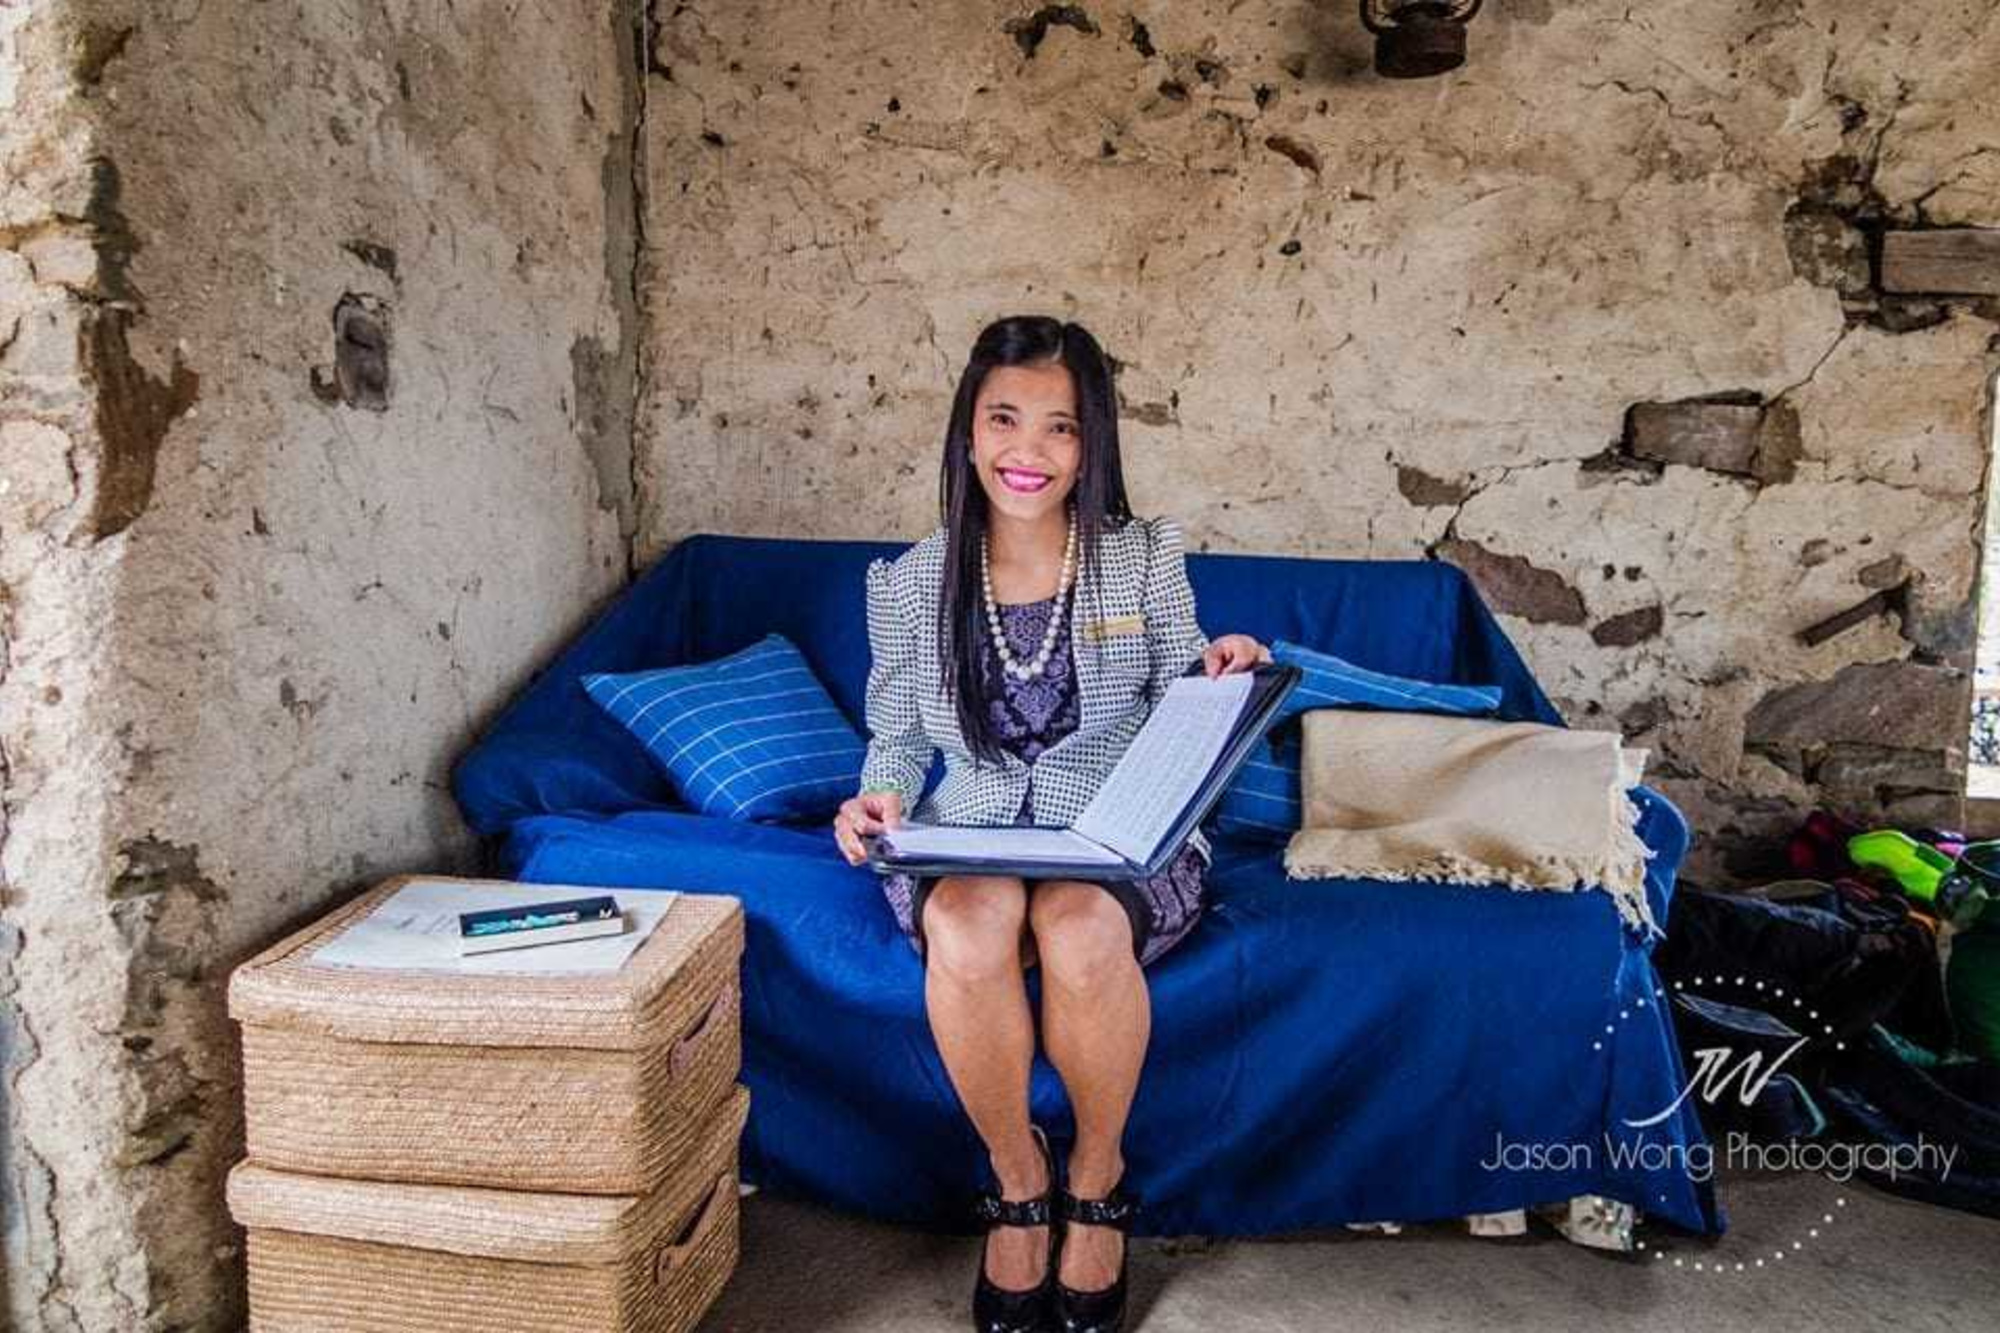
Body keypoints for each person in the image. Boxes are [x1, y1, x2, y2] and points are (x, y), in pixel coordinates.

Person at [831, 316, 1268, 1333]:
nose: (1028, 452)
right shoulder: (906, 583)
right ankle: (1018, 1182)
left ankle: (1099, 1182)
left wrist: (1221, 671)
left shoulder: (1140, 557)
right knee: (970, 928)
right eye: (1004, 419)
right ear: (967, 432)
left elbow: (1182, 685)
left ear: (1092, 444)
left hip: (1115, 827)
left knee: (1077, 932)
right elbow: (893, 740)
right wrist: (878, 796)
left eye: (1059, 428)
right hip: (974, 827)